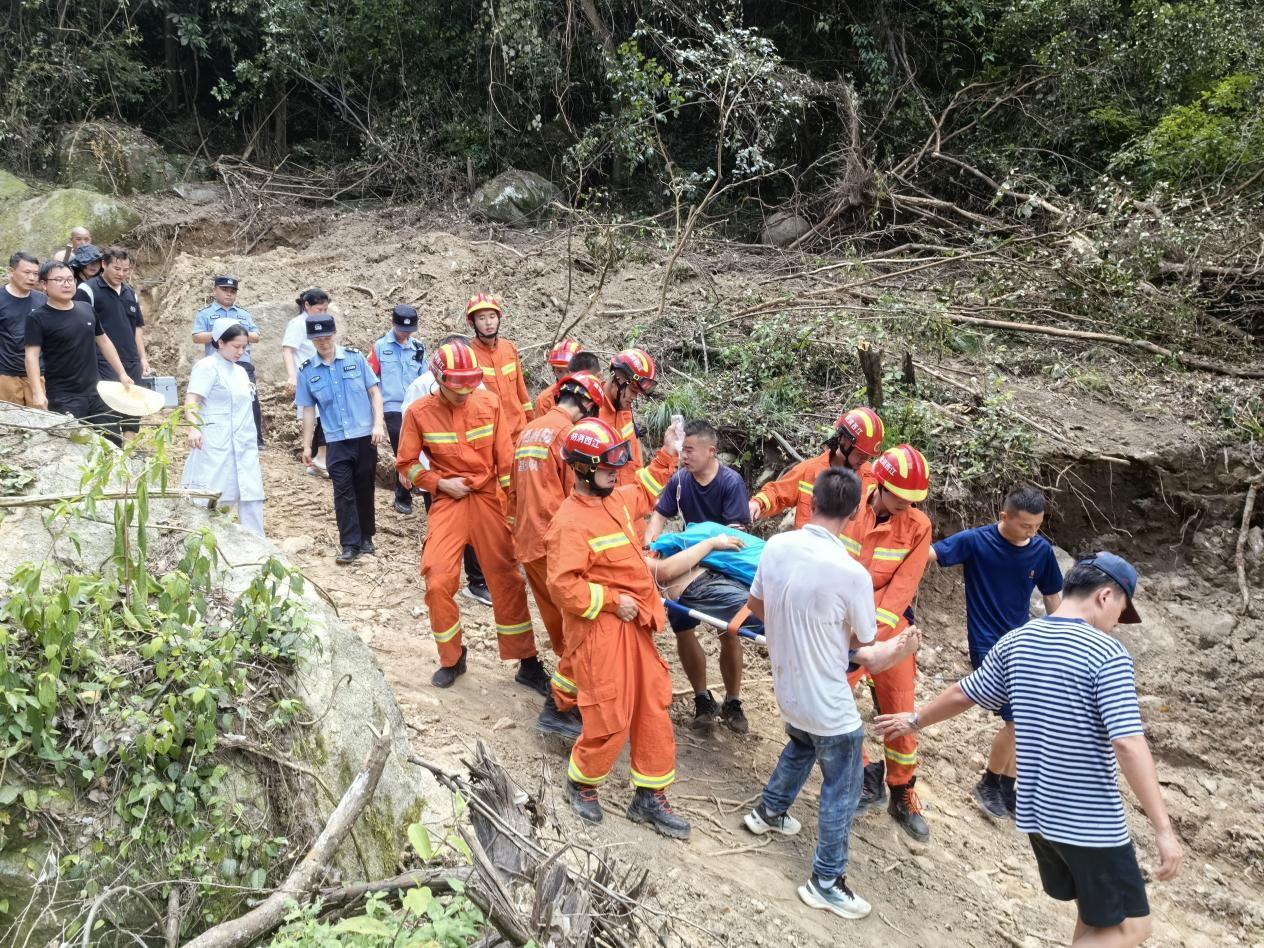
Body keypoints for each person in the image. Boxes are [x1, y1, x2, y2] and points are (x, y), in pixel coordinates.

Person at [875, 553, 1184, 948]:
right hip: (1089, 820)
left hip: (1038, 815)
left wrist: (915, 719)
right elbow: (1127, 742)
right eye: (1121, 611)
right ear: (1106, 596)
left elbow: (964, 692)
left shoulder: (1019, 639)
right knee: (1132, 928)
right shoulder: (1107, 656)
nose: (1115, 624)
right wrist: (1163, 829)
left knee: (1096, 919)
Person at [743, 468, 924, 921]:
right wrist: (903, 646)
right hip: (827, 698)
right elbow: (865, 650)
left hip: (788, 684)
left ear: (815, 501)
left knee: (802, 743)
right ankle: (826, 881)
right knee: (842, 787)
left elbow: (760, 607)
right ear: (854, 510)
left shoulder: (778, 547)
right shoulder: (852, 574)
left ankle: (768, 813)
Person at [546, 417, 689, 838]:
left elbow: (646, 486)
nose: (616, 471)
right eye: (609, 466)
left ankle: (649, 795)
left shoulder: (616, 499)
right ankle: (583, 781)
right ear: (586, 468)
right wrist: (612, 601)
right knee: (610, 712)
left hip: (635, 624)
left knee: (652, 705)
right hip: (600, 629)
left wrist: (669, 452)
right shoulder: (569, 522)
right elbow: (563, 587)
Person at [396, 340, 544, 691]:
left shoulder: (489, 403)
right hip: (450, 501)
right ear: (439, 379)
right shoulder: (418, 413)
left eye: (469, 386)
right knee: (437, 579)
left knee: (507, 578)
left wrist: (512, 511)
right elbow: (406, 464)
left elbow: (506, 463)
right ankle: (452, 657)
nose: (464, 393)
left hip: (489, 497)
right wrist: (439, 483)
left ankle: (527, 661)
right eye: (456, 388)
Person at [930, 485, 1064, 820]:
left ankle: (1007, 786)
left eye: (1037, 526)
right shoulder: (977, 541)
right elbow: (929, 554)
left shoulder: (1042, 551)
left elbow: (1053, 598)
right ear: (1004, 516)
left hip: (1025, 646)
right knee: (1019, 720)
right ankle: (989, 782)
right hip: (988, 646)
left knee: (1031, 720)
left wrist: (1064, 639)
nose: (1031, 533)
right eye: (1025, 526)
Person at [844, 443, 933, 841]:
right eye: (902, 499)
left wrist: (876, 640)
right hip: (840, 621)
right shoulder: (847, 503)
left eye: (914, 501)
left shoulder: (917, 526)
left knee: (900, 707)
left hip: (889, 625)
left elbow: (903, 587)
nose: (907, 507)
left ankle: (902, 790)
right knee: (834, 696)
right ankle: (865, 773)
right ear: (879, 485)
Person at [513, 371, 607, 738]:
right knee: (580, 628)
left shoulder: (530, 430)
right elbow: (576, 494)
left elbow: (514, 491)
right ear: (586, 404)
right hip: (556, 543)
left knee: (560, 624)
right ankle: (561, 706)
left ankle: (572, 694)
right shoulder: (568, 436)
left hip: (529, 542)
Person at [645, 419, 752, 732]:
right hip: (689, 560)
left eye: (690, 450)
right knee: (682, 626)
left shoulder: (730, 483)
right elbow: (659, 515)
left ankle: (732, 701)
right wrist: (651, 544)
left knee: (729, 631)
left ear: (711, 451)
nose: (684, 456)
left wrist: (697, 553)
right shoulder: (680, 481)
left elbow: (735, 539)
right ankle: (702, 698)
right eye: (682, 450)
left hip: (721, 564)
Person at [401, 333, 492, 606]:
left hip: (472, 477)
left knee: (476, 533)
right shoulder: (420, 389)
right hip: (436, 475)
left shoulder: (479, 388)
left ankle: (477, 582)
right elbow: (408, 435)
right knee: (442, 530)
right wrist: (428, 479)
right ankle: (441, 580)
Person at [295, 312, 387, 564]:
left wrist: (378, 425)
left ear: (334, 334)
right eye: (317, 339)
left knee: (364, 487)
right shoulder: (306, 371)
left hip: (364, 437)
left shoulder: (356, 359)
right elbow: (308, 410)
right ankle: (349, 543)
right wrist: (307, 446)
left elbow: (375, 393)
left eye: (326, 337)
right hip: (335, 440)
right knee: (342, 490)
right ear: (311, 340)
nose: (322, 342)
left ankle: (367, 536)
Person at [23, 261, 128, 443]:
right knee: (72, 445)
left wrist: (122, 373)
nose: (67, 284)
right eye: (59, 280)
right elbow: (31, 357)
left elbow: (104, 341)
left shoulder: (86, 309)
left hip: (97, 391)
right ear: (44, 285)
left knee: (112, 442)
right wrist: (38, 392)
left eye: (70, 279)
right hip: (64, 396)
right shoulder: (38, 318)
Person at [182, 318, 265, 536]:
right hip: (216, 441)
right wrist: (194, 427)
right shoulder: (207, 366)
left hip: (243, 441)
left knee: (251, 493)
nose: (240, 352)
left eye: (244, 347)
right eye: (236, 346)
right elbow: (192, 398)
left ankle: (256, 545)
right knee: (214, 492)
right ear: (220, 343)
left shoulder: (239, 372)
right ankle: (208, 540)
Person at [749, 407, 883, 527]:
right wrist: (758, 503)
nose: (864, 459)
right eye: (860, 454)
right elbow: (778, 493)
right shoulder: (809, 470)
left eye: (868, 456)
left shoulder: (871, 478)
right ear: (843, 440)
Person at [368, 304, 427, 515]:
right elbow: (371, 379)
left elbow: (425, 378)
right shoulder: (380, 347)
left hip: (416, 405)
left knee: (423, 447)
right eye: (403, 330)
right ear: (393, 324)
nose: (406, 334)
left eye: (410, 331)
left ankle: (417, 482)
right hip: (392, 406)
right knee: (404, 448)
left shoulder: (419, 348)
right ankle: (402, 496)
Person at [84, 247, 149, 436]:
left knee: (132, 410)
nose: (121, 274)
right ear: (104, 265)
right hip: (101, 361)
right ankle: (111, 451)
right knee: (107, 410)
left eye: (126, 270)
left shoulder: (131, 293)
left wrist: (142, 358)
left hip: (130, 360)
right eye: (116, 268)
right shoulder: (88, 290)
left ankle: (128, 453)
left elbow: (137, 328)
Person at [192, 276, 263, 447]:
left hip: (242, 363)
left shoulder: (243, 314)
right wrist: (222, 332)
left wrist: (238, 332)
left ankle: (256, 439)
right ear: (214, 290)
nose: (229, 294)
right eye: (224, 290)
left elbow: (256, 336)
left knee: (250, 399)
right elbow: (196, 337)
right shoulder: (205, 313)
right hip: (217, 364)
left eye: (232, 291)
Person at [466, 293, 533, 441]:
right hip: (491, 434)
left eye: (492, 316)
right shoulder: (468, 354)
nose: (488, 322)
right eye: (482, 318)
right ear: (472, 323)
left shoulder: (509, 348)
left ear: (499, 318)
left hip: (519, 431)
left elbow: (521, 391)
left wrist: (530, 421)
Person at [283, 288, 329, 476]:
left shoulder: (319, 323)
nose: (323, 313)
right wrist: (292, 376)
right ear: (307, 305)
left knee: (323, 417)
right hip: (308, 376)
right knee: (321, 417)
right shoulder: (298, 324)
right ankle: (319, 459)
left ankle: (319, 460)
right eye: (319, 309)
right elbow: (288, 350)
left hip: (322, 374)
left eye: (325, 310)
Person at [599, 348, 657, 488]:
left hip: (629, 498)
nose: (633, 398)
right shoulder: (591, 411)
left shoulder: (625, 410)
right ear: (617, 379)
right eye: (632, 390)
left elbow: (636, 453)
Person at [0, 252, 47, 406]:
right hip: (6, 374)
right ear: (11, 272)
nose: (32, 278)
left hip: (37, 374)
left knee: (40, 421)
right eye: (27, 272)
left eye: (35, 273)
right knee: (9, 425)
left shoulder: (42, 300)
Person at [531, 339, 581, 419]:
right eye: (559, 371)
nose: (565, 377)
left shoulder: (592, 396)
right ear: (553, 370)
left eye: (569, 371)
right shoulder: (545, 400)